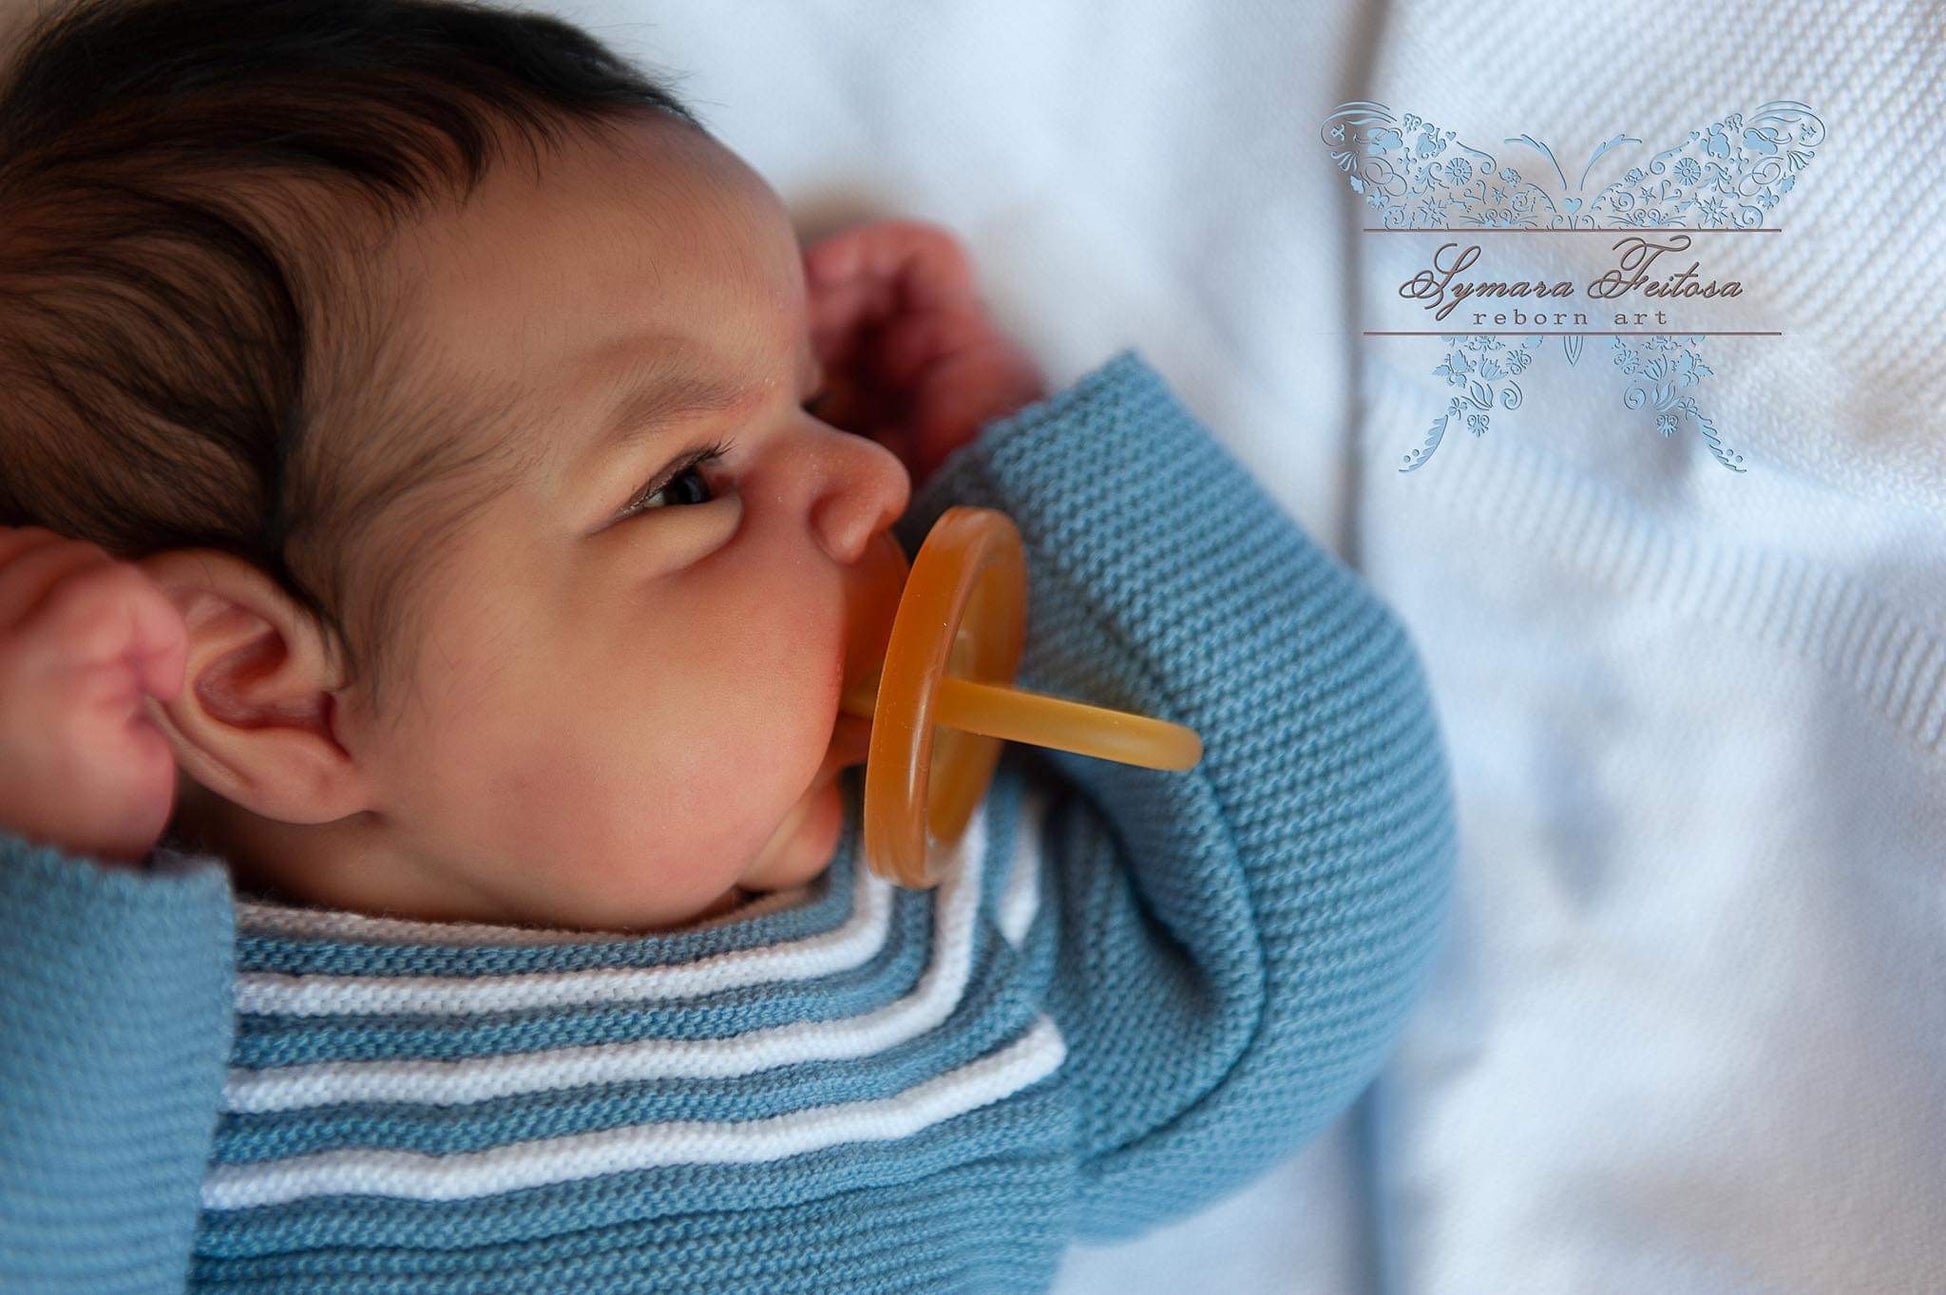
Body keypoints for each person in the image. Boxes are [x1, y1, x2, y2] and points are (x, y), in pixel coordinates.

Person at [0, 0, 1459, 1289]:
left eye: (812, 402)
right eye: (688, 483)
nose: (874, 479)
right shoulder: (161, 1067)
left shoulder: (918, 939)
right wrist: (55, 891)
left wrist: (1040, 467)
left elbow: (1307, 943)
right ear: (266, 694)